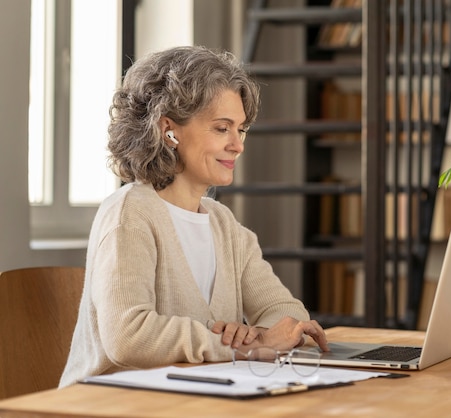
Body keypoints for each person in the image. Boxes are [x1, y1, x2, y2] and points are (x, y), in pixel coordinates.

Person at [59, 45, 328, 388]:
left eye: (241, 129)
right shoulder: (129, 213)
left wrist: (259, 335)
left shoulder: (223, 224)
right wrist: (248, 347)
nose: (238, 145)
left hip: (193, 399)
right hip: (111, 404)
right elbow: (127, 337)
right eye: (221, 128)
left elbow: (288, 315)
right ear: (169, 130)